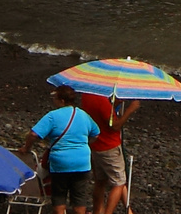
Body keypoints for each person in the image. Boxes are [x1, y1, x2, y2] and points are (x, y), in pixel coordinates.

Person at [19, 85, 99, 214]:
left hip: (61, 163)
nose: (53, 100)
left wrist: (26, 148)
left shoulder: (53, 116)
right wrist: (84, 144)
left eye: (55, 97)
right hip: (82, 161)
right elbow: (95, 134)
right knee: (79, 198)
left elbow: (33, 134)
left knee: (59, 197)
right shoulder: (83, 115)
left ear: (62, 100)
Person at [79, 91, 140, 214]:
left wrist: (115, 103)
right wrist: (130, 110)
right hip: (109, 145)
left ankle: (98, 211)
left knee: (100, 181)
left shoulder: (86, 95)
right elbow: (115, 125)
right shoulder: (101, 100)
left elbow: (101, 115)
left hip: (95, 144)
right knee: (119, 182)